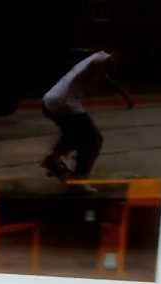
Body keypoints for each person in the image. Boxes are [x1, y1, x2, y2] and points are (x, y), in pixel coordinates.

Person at [40, 50, 133, 184]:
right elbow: (95, 64)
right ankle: (79, 179)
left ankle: (53, 160)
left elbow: (106, 79)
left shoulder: (101, 62)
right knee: (93, 139)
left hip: (50, 101)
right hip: (64, 104)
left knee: (74, 134)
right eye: (113, 65)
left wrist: (125, 95)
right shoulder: (98, 61)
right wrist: (107, 62)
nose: (114, 69)